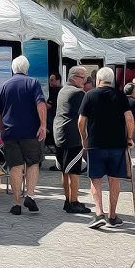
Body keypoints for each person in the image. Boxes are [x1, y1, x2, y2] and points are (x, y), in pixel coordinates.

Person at [79, 67, 134, 229]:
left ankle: (99, 214)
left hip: (95, 144)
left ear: (98, 80)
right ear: (112, 81)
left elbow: (81, 121)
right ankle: (112, 216)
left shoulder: (89, 95)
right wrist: (129, 138)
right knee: (114, 179)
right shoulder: (120, 96)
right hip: (117, 144)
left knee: (95, 180)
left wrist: (84, 139)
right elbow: (129, 119)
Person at [0, 56, 46, 215]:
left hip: (10, 132)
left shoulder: (5, 85)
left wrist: (1, 128)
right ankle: (30, 195)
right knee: (32, 163)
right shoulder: (33, 83)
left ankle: (16, 203)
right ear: (27, 69)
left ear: (13, 69)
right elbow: (41, 104)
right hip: (30, 132)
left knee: (15, 167)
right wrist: (43, 125)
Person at [53, 66, 91, 214]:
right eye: (83, 77)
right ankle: (74, 201)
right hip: (72, 136)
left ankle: (67, 200)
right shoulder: (78, 93)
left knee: (65, 171)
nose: (85, 80)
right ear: (74, 77)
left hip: (59, 134)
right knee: (74, 172)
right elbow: (84, 116)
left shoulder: (63, 90)